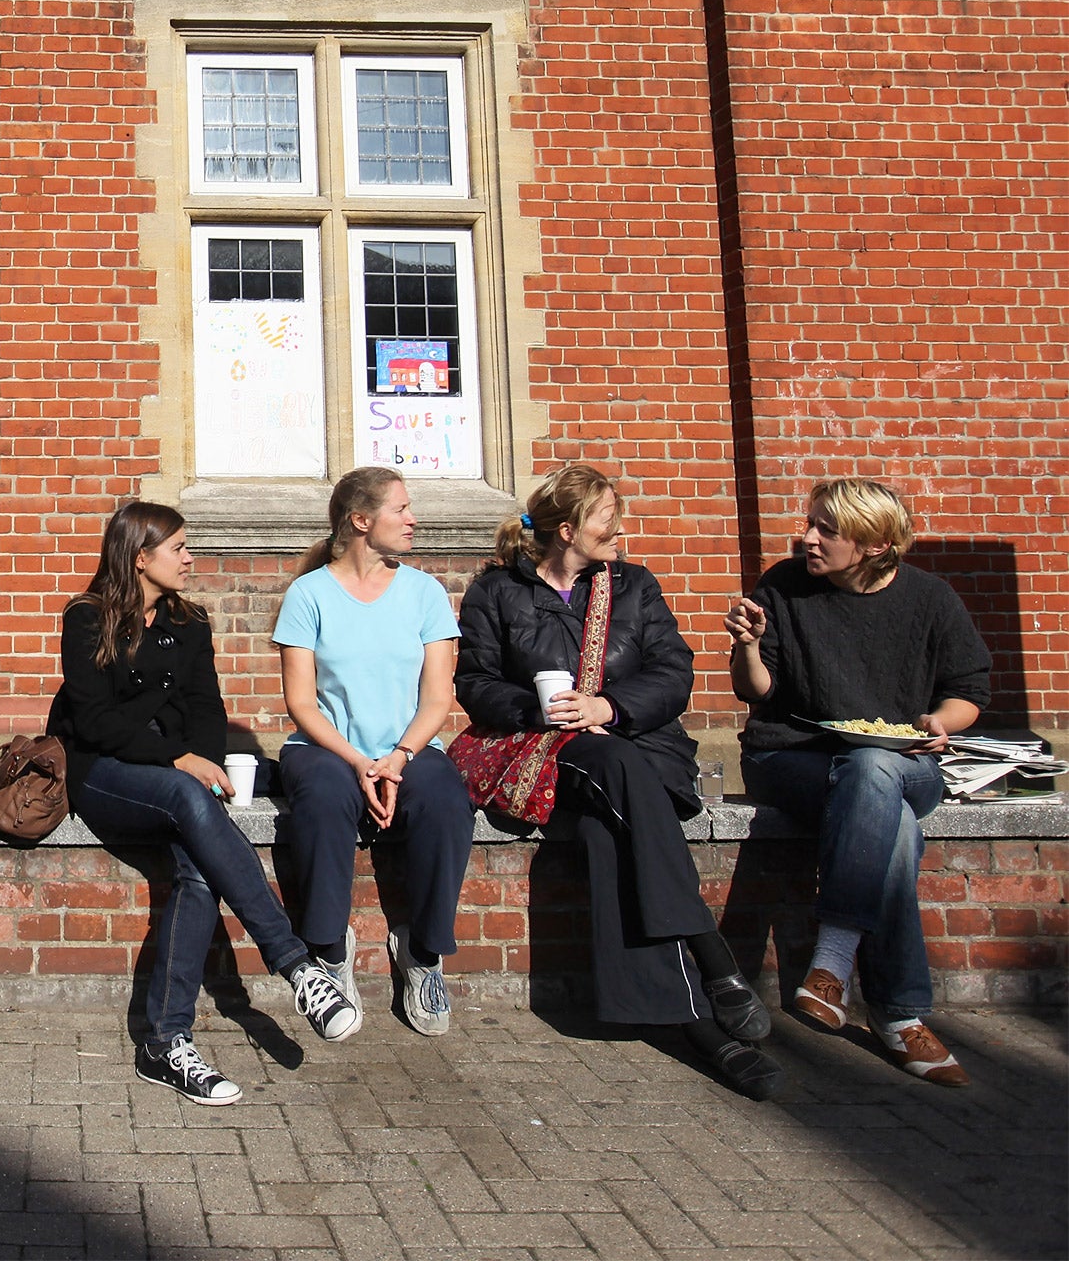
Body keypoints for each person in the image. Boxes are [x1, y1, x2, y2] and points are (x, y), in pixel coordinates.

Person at [456, 465, 780, 1099]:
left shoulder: (634, 586)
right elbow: (475, 682)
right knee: (614, 773)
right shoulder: (496, 591)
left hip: (642, 748)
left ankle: (687, 1021)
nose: (620, 528)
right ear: (568, 529)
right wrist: (540, 710)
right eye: (608, 516)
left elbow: (673, 670)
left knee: (612, 830)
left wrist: (608, 710)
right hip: (546, 753)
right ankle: (712, 960)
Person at [49, 502, 361, 1105]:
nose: (191, 559)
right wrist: (179, 762)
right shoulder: (87, 619)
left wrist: (205, 761)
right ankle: (296, 965)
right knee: (185, 793)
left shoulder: (190, 623)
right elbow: (92, 721)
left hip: (176, 785)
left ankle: (166, 1043)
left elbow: (206, 710)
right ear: (141, 558)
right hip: (103, 775)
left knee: (197, 868)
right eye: (179, 549)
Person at [726, 477, 989, 1088]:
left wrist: (940, 723)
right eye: (810, 523)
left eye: (826, 529)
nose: (807, 537)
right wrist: (749, 647)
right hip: (794, 757)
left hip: (906, 758)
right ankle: (900, 1016)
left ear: (873, 546)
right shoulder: (786, 586)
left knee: (875, 769)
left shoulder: (930, 599)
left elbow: (969, 691)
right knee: (887, 817)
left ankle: (834, 957)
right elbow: (758, 693)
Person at [273, 467, 472, 1036]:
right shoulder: (309, 594)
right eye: (401, 509)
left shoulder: (425, 593)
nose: (414, 519)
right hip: (323, 747)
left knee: (444, 804)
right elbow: (301, 705)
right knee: (324, 798)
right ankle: (330, 952)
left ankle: (424, 954)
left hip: (408, 747)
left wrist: (400, 756)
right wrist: (360, 761)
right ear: (362, 521)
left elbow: (438, 697)